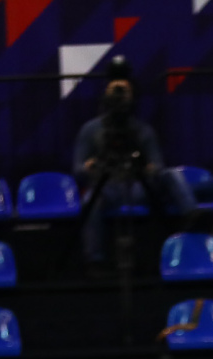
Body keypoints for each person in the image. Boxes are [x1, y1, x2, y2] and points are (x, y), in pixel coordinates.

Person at [74, 64, 194, 266]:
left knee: (171, 174)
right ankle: (95, 260)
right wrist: (88, 167)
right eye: (115, 91)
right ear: (105, 95)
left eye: (124, 91)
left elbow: (158, 165)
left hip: (138, 187)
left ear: (133, 96)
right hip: (106, 188)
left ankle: (192, 215)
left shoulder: (143, 130)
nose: (120, 96)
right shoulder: (90, 130)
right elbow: (77, 170)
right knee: (89, 202)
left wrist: (150, 169)